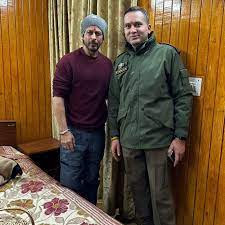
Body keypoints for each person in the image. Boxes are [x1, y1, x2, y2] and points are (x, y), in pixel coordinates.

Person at [108, 6, 193, 225]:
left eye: (137, 24)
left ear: (149, 27)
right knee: (139, 196)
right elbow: (114, 103)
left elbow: (183, 96)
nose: (133, 30)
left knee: (161, 197)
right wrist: (115, 137)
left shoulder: (167, 55)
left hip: (158, 141)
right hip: (129, 142)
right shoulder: (120, 62)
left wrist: (180, 137)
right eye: (128, 26)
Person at [53, 14, 112, 205]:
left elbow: (110, 99)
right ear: (82, 35)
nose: (94, 37)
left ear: (103, 38)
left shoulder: (107, 65)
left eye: (98, 33)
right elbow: (58, 99)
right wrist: (64, 132)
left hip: (97, 134)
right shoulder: (67, 62)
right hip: (73, 134)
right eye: (90, 32)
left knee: (91, 182)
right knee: (70, 184)